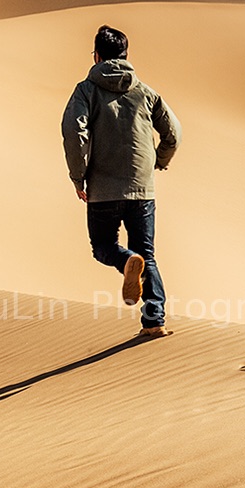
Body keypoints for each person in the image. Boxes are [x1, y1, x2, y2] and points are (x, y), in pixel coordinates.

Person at [62, 24, 181, 337]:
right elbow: (173, 133)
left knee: (103, 247)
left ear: (97, 55)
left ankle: (127, 261)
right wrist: (159, 161)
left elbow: (76, 132)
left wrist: (78, 176)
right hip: (143, 189)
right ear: (126, 56)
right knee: (149, 255)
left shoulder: (86, 90)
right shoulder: (145, 92)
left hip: (103, 190)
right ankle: (154, 321)